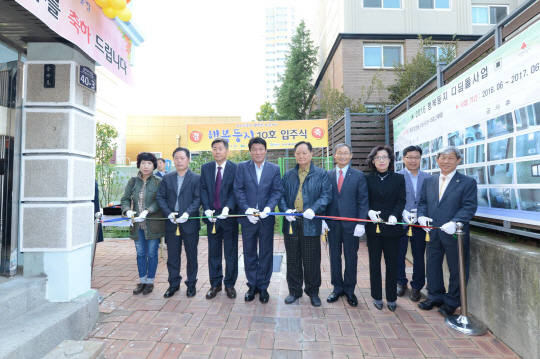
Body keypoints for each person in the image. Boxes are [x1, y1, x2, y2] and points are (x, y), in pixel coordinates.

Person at [417, 146, 477, 317]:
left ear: (458, 161)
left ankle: (451, 302)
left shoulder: (467, 182)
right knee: (433, 265)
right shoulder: (429, 181)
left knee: (457, 268)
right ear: (437, 160)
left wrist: (456, 222)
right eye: (443, 158)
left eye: (451, 158)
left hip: (455, 233)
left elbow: (469, 207)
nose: (446, 162)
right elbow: (422, 202)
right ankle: (435, 296)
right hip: (433, 232)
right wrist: (421, 216)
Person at [278, 141, 332, 307]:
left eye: (304, 153)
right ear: (294, 155)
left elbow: (326, 196)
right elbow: (280, 195)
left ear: (311, 154)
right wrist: (285, 210)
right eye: (298, 153)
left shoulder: (321, 174)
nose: (301, 156)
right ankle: (294, 291)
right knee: (293, 258)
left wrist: (314, 209)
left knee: (311, 259)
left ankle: (313, 292)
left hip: (311, 221)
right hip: (292, 221)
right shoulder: (288, 175)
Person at [233, 137, 282, 303]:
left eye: (261, 149)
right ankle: (252, 285)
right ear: (250, 151)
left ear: (266, 150)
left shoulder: (274, 169)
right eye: (254, 149)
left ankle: (263, 287)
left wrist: (268, 208)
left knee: (266, 253)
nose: (258, 152)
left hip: (266, 219)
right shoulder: (242, 167)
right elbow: (238, 189)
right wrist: (247, 210)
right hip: (248, 219)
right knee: (249, 252)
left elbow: (276, 191)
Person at [323, 143, 369, 307]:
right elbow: (325, 199)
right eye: (339, 153)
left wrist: (361, 223)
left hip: (351, 225)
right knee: (334, 257)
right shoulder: (327, 175)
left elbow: (363, 201)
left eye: (345, 153)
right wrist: (323, 219)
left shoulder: (358, 175)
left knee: (351, 257)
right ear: (334, 156)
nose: (342, 156)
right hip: (333, 224)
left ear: (351, 155)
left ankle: (350, 290)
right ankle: (337, 288)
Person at [364, 145, 406, 312]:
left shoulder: (398, 179)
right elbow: (363, 199)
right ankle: (376, 296)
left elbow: (401, 200)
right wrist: (369, 212)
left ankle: (391, 297)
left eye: (385, 157)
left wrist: (395, 215)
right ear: (373, 161)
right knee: (374, 262)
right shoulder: (366, 179)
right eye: (378, 157)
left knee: (392, 262)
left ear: (390, 160)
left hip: (392, 227)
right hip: (373, 227)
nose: (381, 160)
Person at [157, 147, 201, 298]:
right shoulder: (167, 178)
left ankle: (191, 284)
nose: (179, 161)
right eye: (176, 158)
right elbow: (160, 198)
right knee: (173, 255)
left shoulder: (196, 178)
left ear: (189, 159)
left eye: (182, 158)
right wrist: (168, 214)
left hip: (189, 221)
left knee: (191, 255)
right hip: (172, 221)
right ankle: (173, 284)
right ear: (173, 160)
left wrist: (188, 213)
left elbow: (198, 199)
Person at [121, 152, 165, 295]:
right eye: (143, 163)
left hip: (152, 224)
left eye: (149, 163)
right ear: (138, 164)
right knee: (140, 253)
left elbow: (160, 201)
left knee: (152, 253)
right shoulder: (133, 181)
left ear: (154, 165)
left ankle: (150, 281)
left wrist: (147, 211)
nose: (146, 166)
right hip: (137, 225)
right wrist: (127, 210)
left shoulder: (159, 182)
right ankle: (142, 280)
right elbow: (125, 199)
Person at [200, 138, 239, 299]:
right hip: (212, 218)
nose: (217, 151)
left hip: (228, 217)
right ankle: (215, 284)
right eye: (214, 148)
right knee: (213, 252)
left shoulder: (235, 168)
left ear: (227, 151)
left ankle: (230, 285)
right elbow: (203, 189)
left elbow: (236, 190)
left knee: (230, 252)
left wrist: (228, 207)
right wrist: (207, 209)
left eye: (221, 148)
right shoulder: (206, 168)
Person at [396, 145, 430, 302]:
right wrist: (403, 212)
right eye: (409, 157)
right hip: (401, 222)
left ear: (420, 159)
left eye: (416, 157)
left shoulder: (428, 178)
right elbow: (394, 200)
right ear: (403, 158)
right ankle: (401, 283)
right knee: (399, 254)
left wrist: (421, 215)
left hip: (420, 223)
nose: (413, 160)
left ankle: (417, 286)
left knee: (418, 255)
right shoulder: (397, 177)